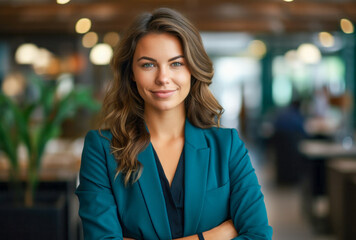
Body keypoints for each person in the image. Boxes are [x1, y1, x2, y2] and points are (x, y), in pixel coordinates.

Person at [76, 8, 272, 240]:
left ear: (192, 69)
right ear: (132, 73)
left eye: (176, 64)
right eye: (148, 65)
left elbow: (258, 235)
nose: (163, 78)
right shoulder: (101, 148)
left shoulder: (227, 146)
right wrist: (211, 236)